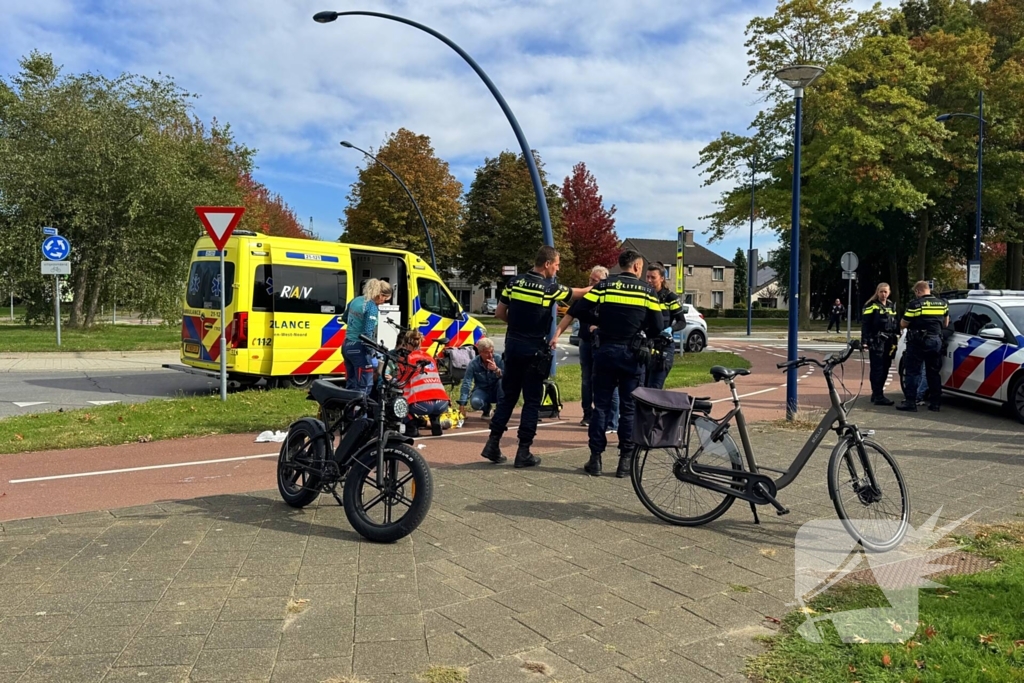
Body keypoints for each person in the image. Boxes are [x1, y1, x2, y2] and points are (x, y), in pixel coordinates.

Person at [552, 249, 664, 478]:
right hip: (632, 355)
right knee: (628, 408)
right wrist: (639, 330)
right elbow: (657, 327)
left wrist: (599, 321)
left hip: (605, 351)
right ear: (636, 267)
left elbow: (578, 310)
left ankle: (595, 460)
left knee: (600, 407)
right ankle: (624, 462)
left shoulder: (604, 287)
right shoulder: (647, 292)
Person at [480, 246, 589, 468]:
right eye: (557, 264)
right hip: (534, 350)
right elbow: (579, 293)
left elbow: (499, 313)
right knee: (531, 401)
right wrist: (599, 287)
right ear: (547, 264)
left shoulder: (514, 282)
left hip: (513, 346)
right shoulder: (549, 288)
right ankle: (523, 452)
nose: (558, 269)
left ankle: (492, 443)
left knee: (508, 397)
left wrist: (518, 327)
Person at [897, 281, 949, 413]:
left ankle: (910, 403)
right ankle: (935, 404)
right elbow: (946, 324)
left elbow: (903, 324)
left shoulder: (915, 304)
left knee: (913, 372)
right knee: (933, 373)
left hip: (917, 342)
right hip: (935, 341)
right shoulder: (943, 303)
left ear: (918, 291)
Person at [395, 330, 450, 437]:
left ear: (407, 345)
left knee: (397, 400)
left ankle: (412, 426)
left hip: (422, 405)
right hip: (442, 402)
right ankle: (435, 422)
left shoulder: (406, 359)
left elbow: (401, 381)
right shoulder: (430, 357)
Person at [342, 279, 393, 393]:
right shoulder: (371, 307)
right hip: (359, 348)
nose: (383, 302)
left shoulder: (356, 300)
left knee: (351, 383)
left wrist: (355, 327)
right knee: (364, 386)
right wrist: (372, 352)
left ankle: (349, 410)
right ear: (380, 295)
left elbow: (344, 318)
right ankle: (361, 411)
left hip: (346, 345)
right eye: (385, 299)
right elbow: (367, 333)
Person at [643, 262, 686, 389]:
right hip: (646, 345)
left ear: (662, 278)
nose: (649, 280)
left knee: (654, 388)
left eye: (653, 277)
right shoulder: (644, 295)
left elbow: (682, 322)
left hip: (664, 347)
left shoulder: (670, 298)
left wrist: (671, 329)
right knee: (641, 389)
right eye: (647, 277)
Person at [860, 282, 898, 406]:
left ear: (889, 292)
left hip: (889, 341)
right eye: (881, 291)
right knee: (877, 369)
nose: (883, 294)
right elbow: (865, 324)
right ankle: (878, 395)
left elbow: (894, 322)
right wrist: (865, 341)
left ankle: (876, 393)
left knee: (886, 367)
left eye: (885, 292)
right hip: (877, 340)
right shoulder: (871, 305)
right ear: (877, 292)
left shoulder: (891, 305)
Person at [458, 337, 504, 418]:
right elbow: (467, 382)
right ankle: (486, 409)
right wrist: (462, 404)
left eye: (492, 352)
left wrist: (496, 370)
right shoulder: (473, 363)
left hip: (498, 390)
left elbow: (509, 376)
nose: (490, 355)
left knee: (502, 382)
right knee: (475, 402)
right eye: (486, 352)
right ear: (480, 353)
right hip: (482, 389)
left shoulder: (498, 359)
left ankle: (500, 409)